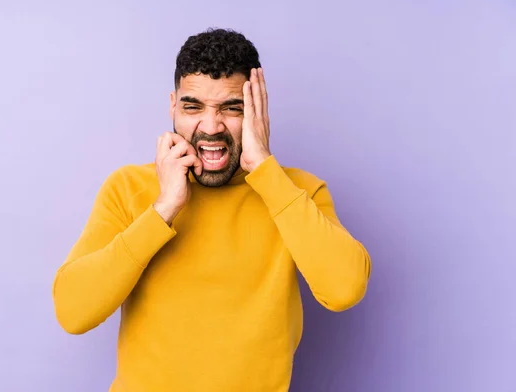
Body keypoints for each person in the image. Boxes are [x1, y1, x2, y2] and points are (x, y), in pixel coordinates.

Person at [52, 28, 371, 392]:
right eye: (193, 107)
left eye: (231, 108)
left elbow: (345, 289)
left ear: (257, 111)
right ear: (172, 106)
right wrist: (164, 209)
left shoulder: (296, 191)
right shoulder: (127, 188)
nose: (210, 126)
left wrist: (265, 172)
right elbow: (73, 312)